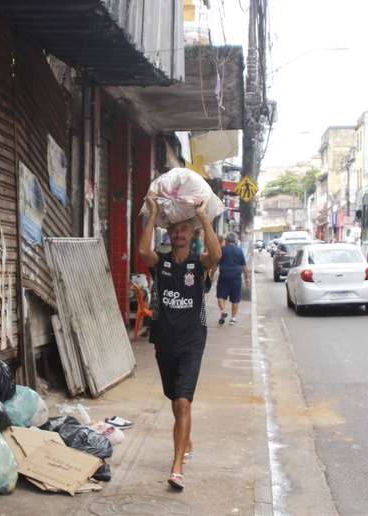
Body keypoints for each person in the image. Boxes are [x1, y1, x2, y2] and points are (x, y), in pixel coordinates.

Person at [138, 193, 221, 491]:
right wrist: (153, 213)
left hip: (192, 343)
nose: (178, 233)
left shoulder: (200, 266)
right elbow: (142, 250)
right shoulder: (160, 264)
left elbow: (216, 256)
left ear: (192, 233)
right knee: (174, 399)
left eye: (184, 229)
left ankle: (176, 468)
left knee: (183, 402)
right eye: (174, 229)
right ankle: (185, 437)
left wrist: (203, 218)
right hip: (164, 342)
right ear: (169, 233)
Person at [216, 232, 250, 325]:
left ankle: (223, 311)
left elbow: (216, 264)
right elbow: (244, 266)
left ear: (226, 240)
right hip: (236, 278)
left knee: (220, 296)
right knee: (235, 298)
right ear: (235, 241)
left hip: (224, 276)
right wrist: (247, 278)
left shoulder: (222, 250)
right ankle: (233, 318)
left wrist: (210, 275)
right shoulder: (239, 251)